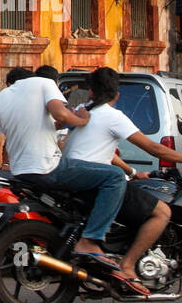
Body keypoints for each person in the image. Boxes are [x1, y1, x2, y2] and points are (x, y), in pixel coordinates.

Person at [60, 66, 182, 290]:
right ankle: (128, 265)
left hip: (77, 176)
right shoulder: (113, 116)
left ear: (91, 93)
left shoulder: (82, 110)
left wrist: (133, 173)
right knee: (162, 212)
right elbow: (154, 148)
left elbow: (103, 152)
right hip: (96, 183)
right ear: (116, 95)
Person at [0, 64, 89, 174]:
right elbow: (61, 117)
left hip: (21, 168)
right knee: (112, 175)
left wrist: (6, 164)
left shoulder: (4, 98)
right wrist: (82, 120)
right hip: (45, 166)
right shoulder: (45, 89)